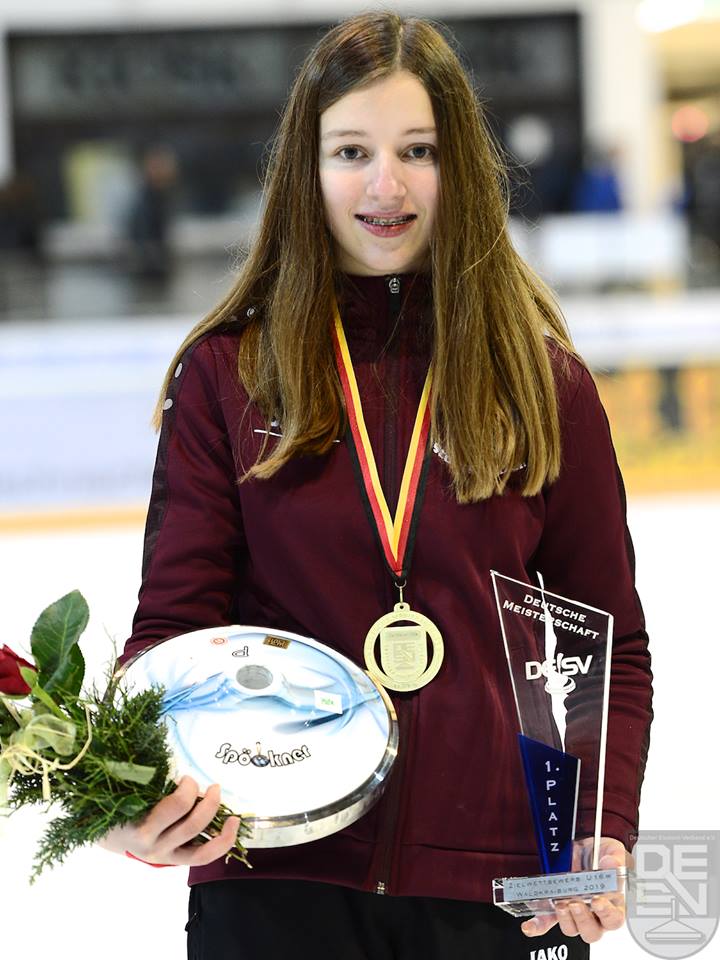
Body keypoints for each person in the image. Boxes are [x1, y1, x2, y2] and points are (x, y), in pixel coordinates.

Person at [101, 12, 652, 959]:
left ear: (460, 167)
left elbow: (606, 645)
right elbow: (173, 636)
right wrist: (129, 796)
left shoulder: (543, 383)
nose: (385, 185)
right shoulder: (232, 375)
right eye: (352, 151)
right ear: (306, 170)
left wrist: (600, 826)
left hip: (500, 890)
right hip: (276, 883)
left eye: (418, 151)